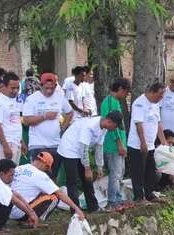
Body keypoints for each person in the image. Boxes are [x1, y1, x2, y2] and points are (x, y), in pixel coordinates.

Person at [58, 112, 122, 213]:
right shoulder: (90, 126)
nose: (115, 129)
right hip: (69, 148)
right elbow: (83, 148)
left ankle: (93, 207)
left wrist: (99, 166)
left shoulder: (104, 128)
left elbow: (99, 147)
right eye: (115, 126)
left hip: (81, 150)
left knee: (87, 180)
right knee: (72, 181)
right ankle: (75, 211)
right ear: (109, 121)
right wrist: (87, 169)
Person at [22, 73, 74, 178]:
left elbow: (70, 113)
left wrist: (63, 128)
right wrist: (44, 116)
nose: (49, 91)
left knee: (53, 176)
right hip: (38, 144)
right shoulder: (32, 99)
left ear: (56, 86)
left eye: (52, 88)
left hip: (55, 144)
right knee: (38, 176)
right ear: (41, 85)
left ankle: (51, 195)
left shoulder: (60, 97)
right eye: (46, 88)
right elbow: (26, 121)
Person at [10, 152, 84, 222]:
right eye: (46, 168)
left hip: (9, 211)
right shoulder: (40, 175)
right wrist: (76, 208)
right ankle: (32, 220)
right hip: (21, 213)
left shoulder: (19, 168)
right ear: (44, 164)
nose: (45, 171)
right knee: (54, 197)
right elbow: (60, 193)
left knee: (43, 192)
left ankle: (27, 219)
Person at [127, 82, 167, 204]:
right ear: (152, 92)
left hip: (150, 145)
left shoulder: (156, 104)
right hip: (137, 145)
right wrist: (143, 142)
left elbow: (158, 123)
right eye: (159, 95)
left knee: (150, 170)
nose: (161, 98)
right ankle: (139, 197)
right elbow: (138, 124)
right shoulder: (139, 103)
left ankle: (149, 194)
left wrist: (163, 140)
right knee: (138, 172)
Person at [0, 159, 39, 235]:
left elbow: (17, 195)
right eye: (11, 175)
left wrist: (32, 212)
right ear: (1, 174)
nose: (13, 178)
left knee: (7, 199)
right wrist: (30, 215)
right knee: (5, 201)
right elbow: (15, 200)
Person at [101, 78, 130, 210]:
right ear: (120, 89)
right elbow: (111, 125)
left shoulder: (116, 102)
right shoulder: (109, 102)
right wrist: (119, 143)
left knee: (120, 173)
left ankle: (118, 198)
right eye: (125, 92)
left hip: (119, 144)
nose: (125, 95)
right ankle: (113, 201)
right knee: (115, 173)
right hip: (113, 145)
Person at [0, 72, 24, 165]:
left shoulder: (14, 99)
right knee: (6, 176)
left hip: (15, 142)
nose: (16, 90)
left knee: (14, 174)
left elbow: (16, 121)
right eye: (12, 88)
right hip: (6, 144)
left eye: (17, 87)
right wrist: (5, 146)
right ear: (4, 86)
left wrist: (22, 142)